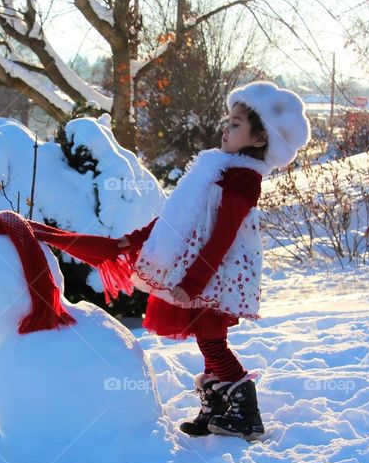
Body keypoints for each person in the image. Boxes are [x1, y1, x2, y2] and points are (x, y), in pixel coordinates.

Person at [117, 81, 310, 440]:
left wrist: (193, 282)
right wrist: (135, 239)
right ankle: (220, 405)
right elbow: (178, 215)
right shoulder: (215, 168)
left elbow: (223, 236)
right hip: (201, 267)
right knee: (208, 338)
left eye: (236, 123)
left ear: (259, 139)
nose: (226, 127)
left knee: (211, 339)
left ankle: (245, 411)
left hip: (216, 272)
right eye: (228, 120)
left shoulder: (243, 177)